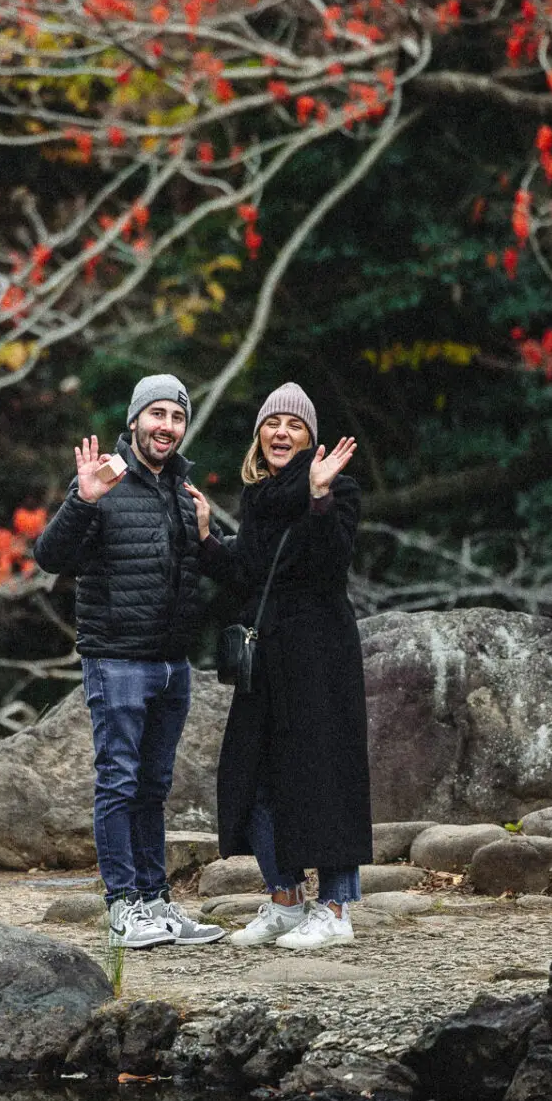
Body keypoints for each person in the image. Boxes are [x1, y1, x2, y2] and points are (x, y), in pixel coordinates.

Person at [34, 374, 227, 949]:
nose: (166, 426)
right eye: (157, 415)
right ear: (135, 420)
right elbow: (49, 556)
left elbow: (207, 577)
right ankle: (122, 909)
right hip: (116, 659)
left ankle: (156, 902)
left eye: (176, 417)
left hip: (172, 664)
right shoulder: (104, 481)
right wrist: (81, 499)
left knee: (153, 786)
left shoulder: (184, 492)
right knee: (118, 782)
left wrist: (207, 535)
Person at [187, 383, 370, 951]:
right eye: (273, 423)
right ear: (260, 434)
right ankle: (285, 899)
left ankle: (336, 907)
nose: (282, 433)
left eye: (295, 425)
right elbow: (248, 572)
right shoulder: (258, 496)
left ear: (311, 438)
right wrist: (204, 539)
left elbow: (330, 563)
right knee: (255, 775)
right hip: (266, 658)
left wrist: (318, 497)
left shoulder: (339, 487)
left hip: (319, 652)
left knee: (325, 774)